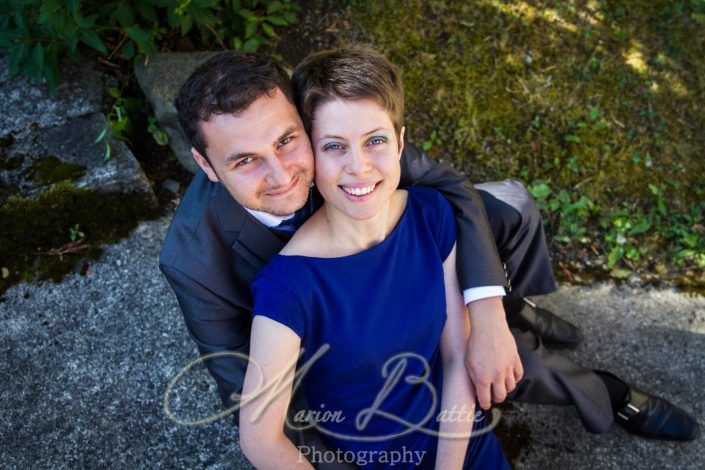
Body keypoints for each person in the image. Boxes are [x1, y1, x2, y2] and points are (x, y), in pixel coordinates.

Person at [159, 47, 697, 466]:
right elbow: (252, 396)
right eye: (245, 161)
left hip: (410, 261)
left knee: (507, 218)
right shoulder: (194, 262)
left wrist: (486, 311)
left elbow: (446, 183)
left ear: (302, 120)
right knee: (517, 367)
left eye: (287, 142)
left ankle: (511, 301)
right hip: (336, 334)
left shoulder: (340, 138)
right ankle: (605, 389)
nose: (281, 176)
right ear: (206, 166)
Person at [240, 44, 509, 468]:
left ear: (400, 142)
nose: (359, 167)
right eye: (334, 147)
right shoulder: (287, 285)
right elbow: (260, 439)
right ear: (309, 154)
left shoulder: (430, 215)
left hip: (460, 442)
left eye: (376, 140)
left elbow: (456, 357)